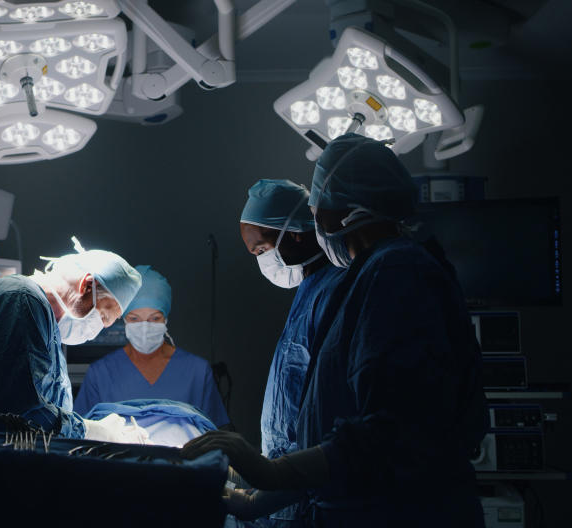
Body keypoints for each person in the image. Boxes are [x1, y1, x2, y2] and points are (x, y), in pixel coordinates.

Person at [183, 134, 486, 527]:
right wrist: (258, 476)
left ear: (343, 213)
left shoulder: (396, 272)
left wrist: (272, 474)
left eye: (315, 210)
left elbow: (395, 429)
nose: (315, 221)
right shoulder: (372, 275)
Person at [0, 237, 147, 442]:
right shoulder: (20, 300)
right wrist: (91, 431)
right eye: (103, 316)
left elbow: (45, 413)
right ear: (86, 286)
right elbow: (20, 413)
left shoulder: (45, 325)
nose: (98, 328)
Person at [234, 179, 346, 526]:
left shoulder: (335, 291)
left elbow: (329, 415)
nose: (261, 260)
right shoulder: (309, 289)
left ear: (296, 234)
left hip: (312, 493)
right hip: (289, 482)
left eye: (260, 249)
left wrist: (276, 481)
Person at [74, 265, 230, 428]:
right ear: (124, 319)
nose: (144, 326)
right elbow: (83, 432)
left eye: (154, 318)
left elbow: (215, 435)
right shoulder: (101, 374)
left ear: (165, 320)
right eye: (134, 319)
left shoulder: (197, 371)